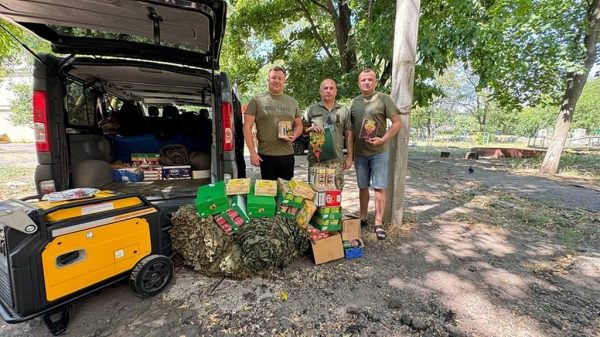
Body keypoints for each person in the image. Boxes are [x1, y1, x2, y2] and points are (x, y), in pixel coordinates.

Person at [350, 69, 402, 240]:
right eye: (363, 80)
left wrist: (383, 139)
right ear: (358, 83)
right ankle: (363, 218)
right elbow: (348, 129)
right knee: (362, 186)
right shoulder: (354, 102)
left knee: (379, 187)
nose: (367, 82)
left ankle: (378, 223)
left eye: (370, 79)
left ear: (375, 82)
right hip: (359, 153)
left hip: (378, 152)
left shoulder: (383, 99)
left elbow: (397, 123)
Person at [243, 66, 303, 180]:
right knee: (269, 193)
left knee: (286, 192)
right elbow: (247, 126)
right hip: (266, 155)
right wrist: (252, 152)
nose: (277, 81)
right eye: (273, 78)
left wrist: (294, 135)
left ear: (284, 81)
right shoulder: (257, 100)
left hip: (287, 154)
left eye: (280, 78)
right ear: (268, 80)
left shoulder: (292, 101)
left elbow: (299, 125)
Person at [303, 79, 353, 191]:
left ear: (336, 91)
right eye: (325, 88)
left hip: (336, 160)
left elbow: (349, 133)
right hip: (316, 160)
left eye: (331, 88)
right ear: (320, 91)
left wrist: (349, 157)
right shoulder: (311, 109)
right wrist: (309, 129)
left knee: (335, 195)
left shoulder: (343, 111)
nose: (328, 91)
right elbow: (302, 129)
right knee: (315, 195)